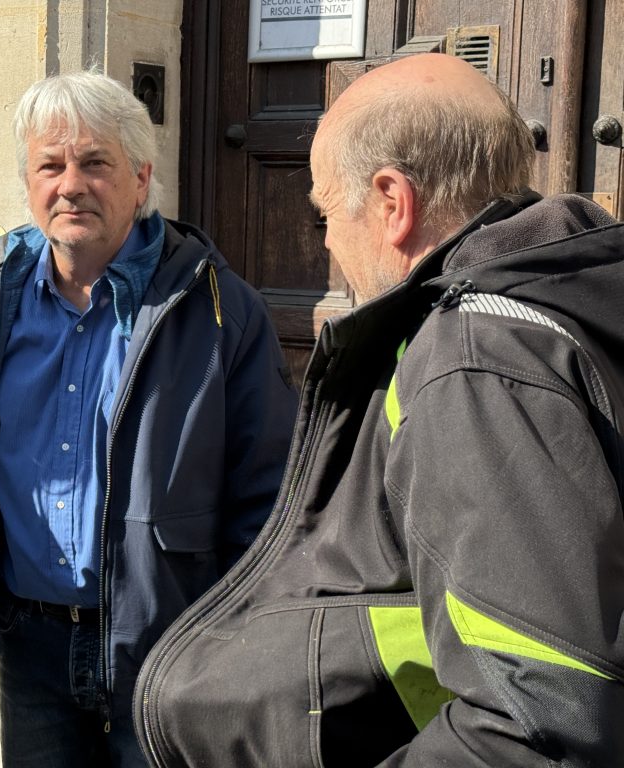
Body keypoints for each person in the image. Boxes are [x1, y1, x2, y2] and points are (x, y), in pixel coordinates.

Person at [134, 53, 624, 766]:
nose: (327, 239)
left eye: (327, 210)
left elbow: (543, 724)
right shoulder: (563, 289)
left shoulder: (476, 358)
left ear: (393, 203)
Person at [0, 68, 297, 766]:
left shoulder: (216, 307)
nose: (71, 185)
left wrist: (240, 641)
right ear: (28, 180)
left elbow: (266, 489)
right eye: (50, 166)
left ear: (141, 175)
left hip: (169, 653)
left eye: (95, 163)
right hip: (30, 648)